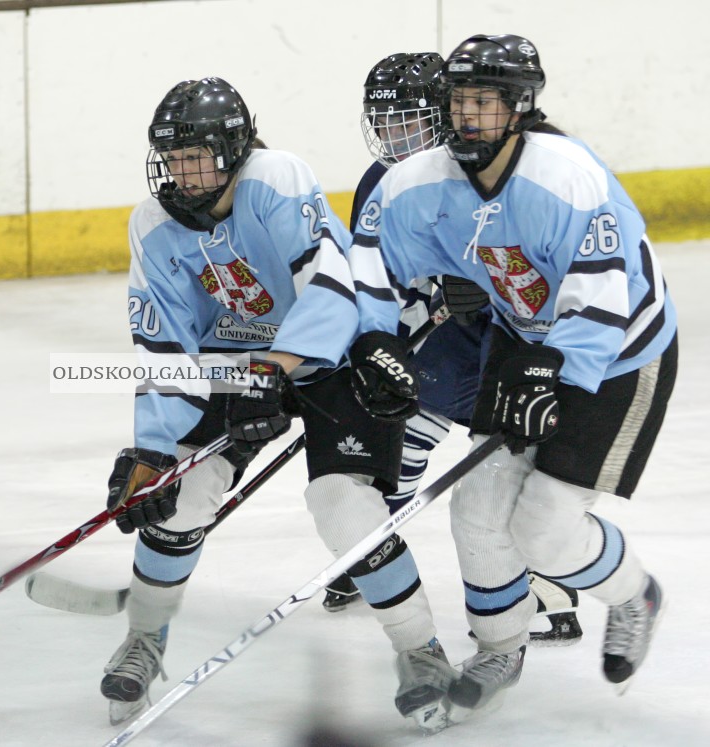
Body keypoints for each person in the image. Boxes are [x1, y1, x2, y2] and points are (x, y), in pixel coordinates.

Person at [102, 77, 455, 733]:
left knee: (344, 506)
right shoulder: (152, 224)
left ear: (235, 148)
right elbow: (162, 344)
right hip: (234, 362)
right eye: (173, 158)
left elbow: (328, 283)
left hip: (327, 352)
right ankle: (144, 640)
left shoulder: (276, 177)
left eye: (198, 155)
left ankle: (421, 650)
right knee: (180, 491)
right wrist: (153, 448)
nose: (184, 172)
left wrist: (275, 367)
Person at [344, 34, 675, 716]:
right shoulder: (421, 181)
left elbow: (604, 295)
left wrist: (552, 370)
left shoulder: (564, 177)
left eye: (485, 104)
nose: (469, 117)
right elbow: (372, 272)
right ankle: (499, 647)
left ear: (519, 109)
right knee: (477, 507)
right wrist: (373, 339)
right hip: (522, 342)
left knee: (546, 527)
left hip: (620, 357)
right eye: (459, 102)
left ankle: (634, 593)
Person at [321, 52, 583, 649]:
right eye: (385, 124)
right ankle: (376, 552)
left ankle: (544, 586)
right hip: (450, 344)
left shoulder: (505, 172)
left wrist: (485, 289)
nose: (395, 139)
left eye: (409, 123)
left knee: (505, 469)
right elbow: (380, 278)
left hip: (512, 345)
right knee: (396, 430)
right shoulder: (381, 183)